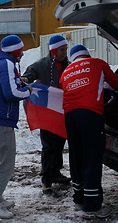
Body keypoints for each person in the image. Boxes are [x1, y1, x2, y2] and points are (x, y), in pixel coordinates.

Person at [60, 44, 118, 219]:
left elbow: (67, 89)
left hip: (70, 116)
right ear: (87, 55)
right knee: (92, 157)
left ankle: (79, 196)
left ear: (73, 58)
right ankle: (93, 205)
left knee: (76, 155)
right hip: (90, 114)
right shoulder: (97, 63)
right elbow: (117, 83)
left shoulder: (66, 72)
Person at [0, 35, 32, 219]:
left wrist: (22, 82)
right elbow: (11, 93)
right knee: (6, 165)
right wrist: (29, 91)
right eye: (21, 49)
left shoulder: (0, 62)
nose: (23, 52)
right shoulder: (6, 64)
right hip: (0, 124)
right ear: (15, 50)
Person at [21, 35, 71, 194]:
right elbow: (29, 74)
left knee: (59, 145)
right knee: (49, 146)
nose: (65, 52)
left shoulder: (69, 66)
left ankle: (56, 173)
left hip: (62, 112)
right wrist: (27, 78)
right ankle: (46, 180)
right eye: (62, 50)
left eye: (65, 49)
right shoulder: (42, 64)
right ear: (54, 50)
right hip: (47, 114)